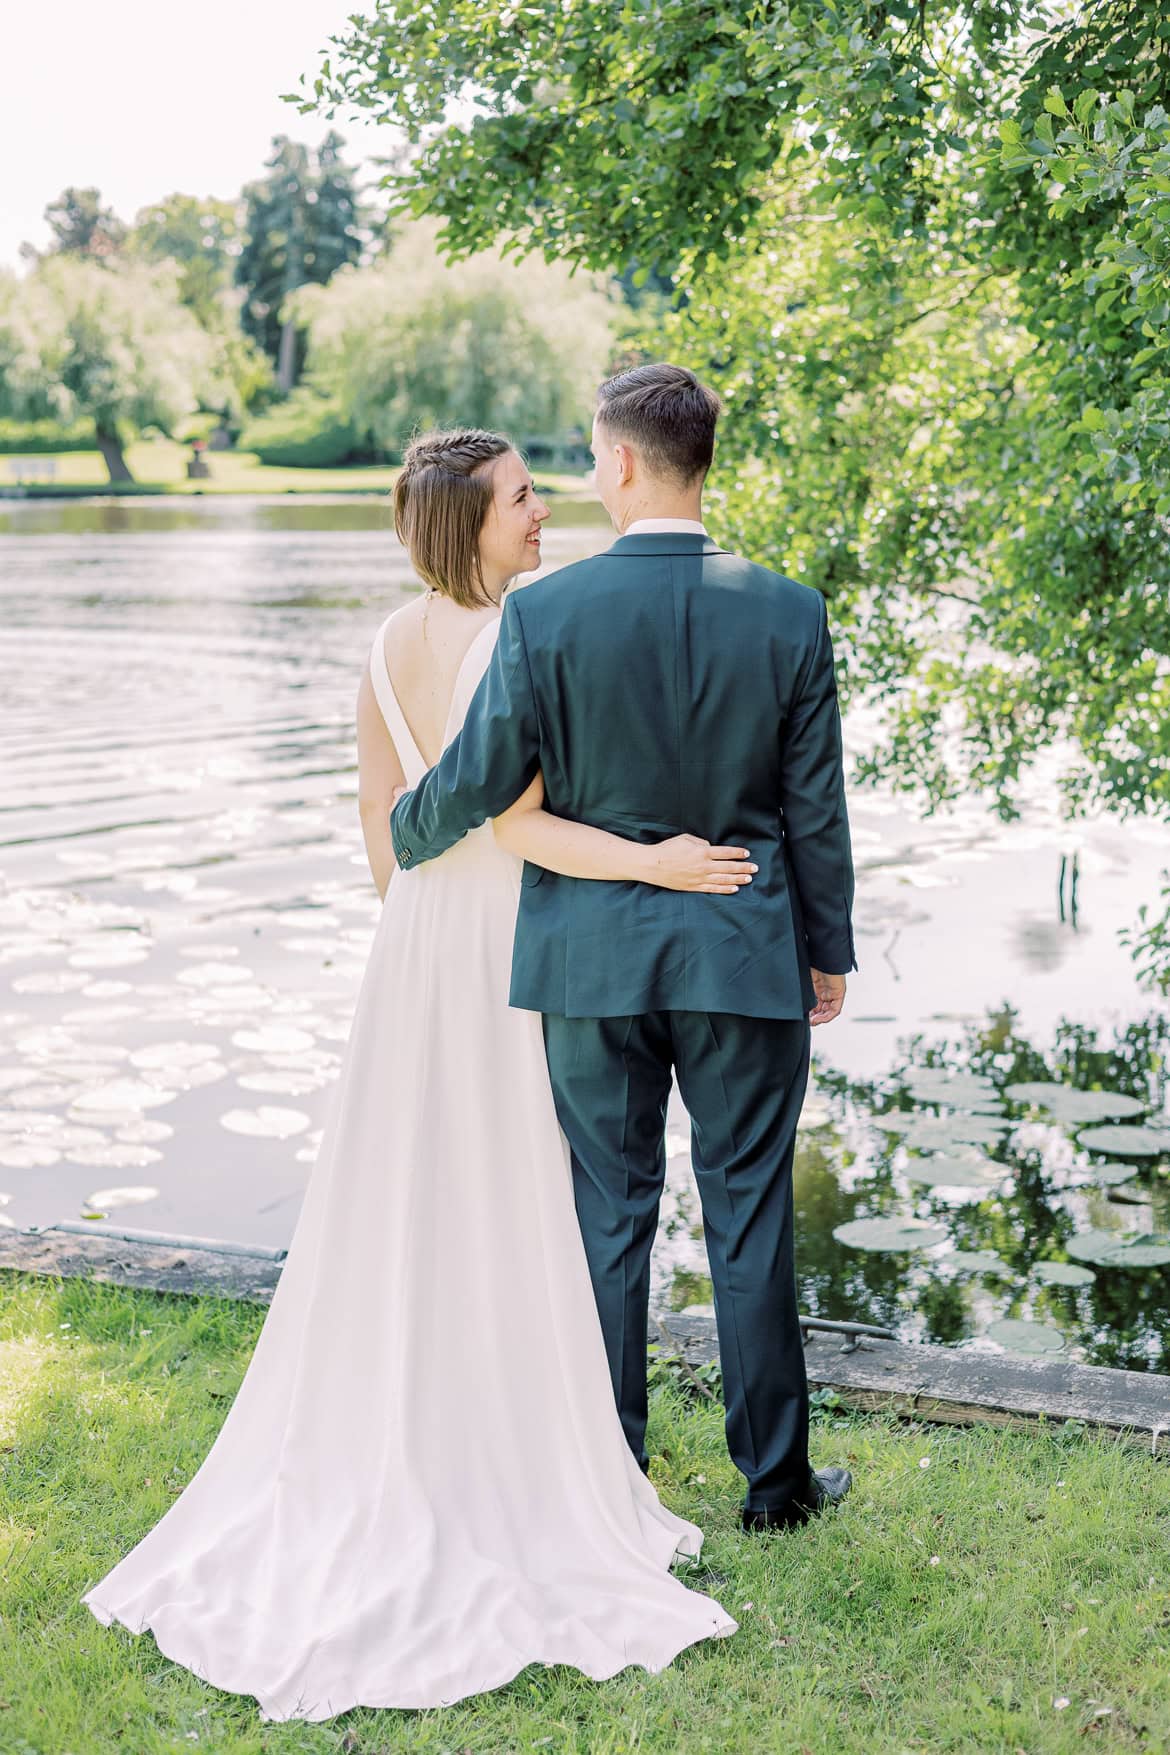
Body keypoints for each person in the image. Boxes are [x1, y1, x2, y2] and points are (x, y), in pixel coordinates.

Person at [81, 426, 747, 1723]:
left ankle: (411, 1416)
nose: (541, 511)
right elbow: (516, 817)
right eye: (515, 499)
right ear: (470, 522)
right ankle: (507, 1456)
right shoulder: (531, 629)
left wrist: (427, 920)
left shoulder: (384, 645)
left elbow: (387, 843)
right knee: (517, 1192)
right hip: (510, 938)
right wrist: (658, 862)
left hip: (413, 952)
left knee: (408, 1194)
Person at [391, 364, 857, 1534]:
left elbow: (484, 779)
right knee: (748, 1213)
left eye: (592, 459)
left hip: (592, 966)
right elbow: (817, 811)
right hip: (746, 951)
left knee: (608, 1218)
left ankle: (609, 1483)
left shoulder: (548, 614)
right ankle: (776, 1489)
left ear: (624, 464)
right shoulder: (791, 610)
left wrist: (407, 830)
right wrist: (828, 951)